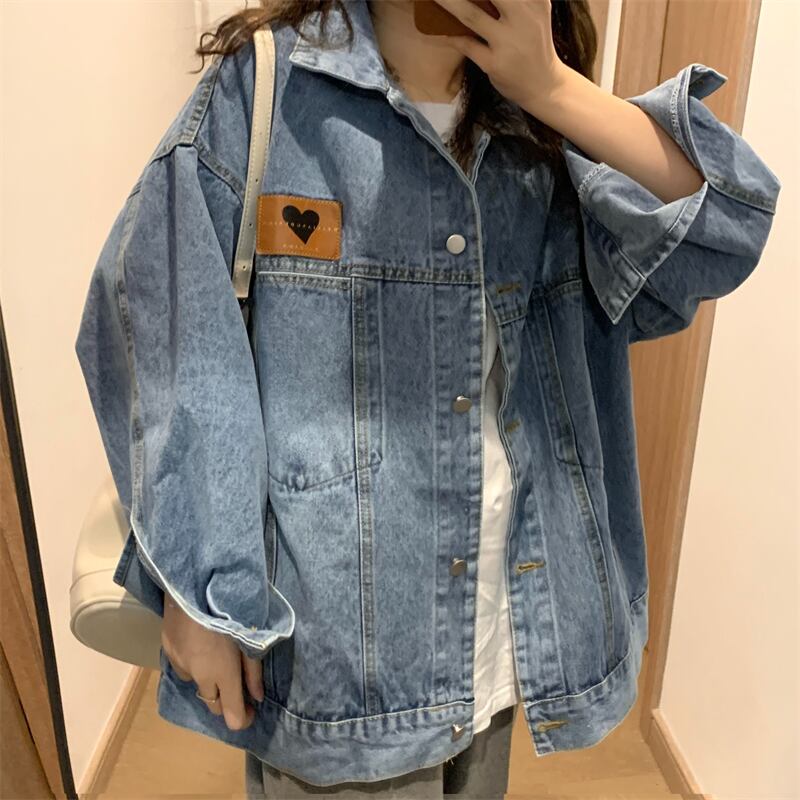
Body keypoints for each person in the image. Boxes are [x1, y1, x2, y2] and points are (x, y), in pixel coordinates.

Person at [74, 0, 781, 796]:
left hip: (503, 630)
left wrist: (551, 87)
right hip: (339, 657)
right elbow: (171, 337)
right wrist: (201, 591)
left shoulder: (544, 123)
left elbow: (731, 219)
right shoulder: (268, 89)